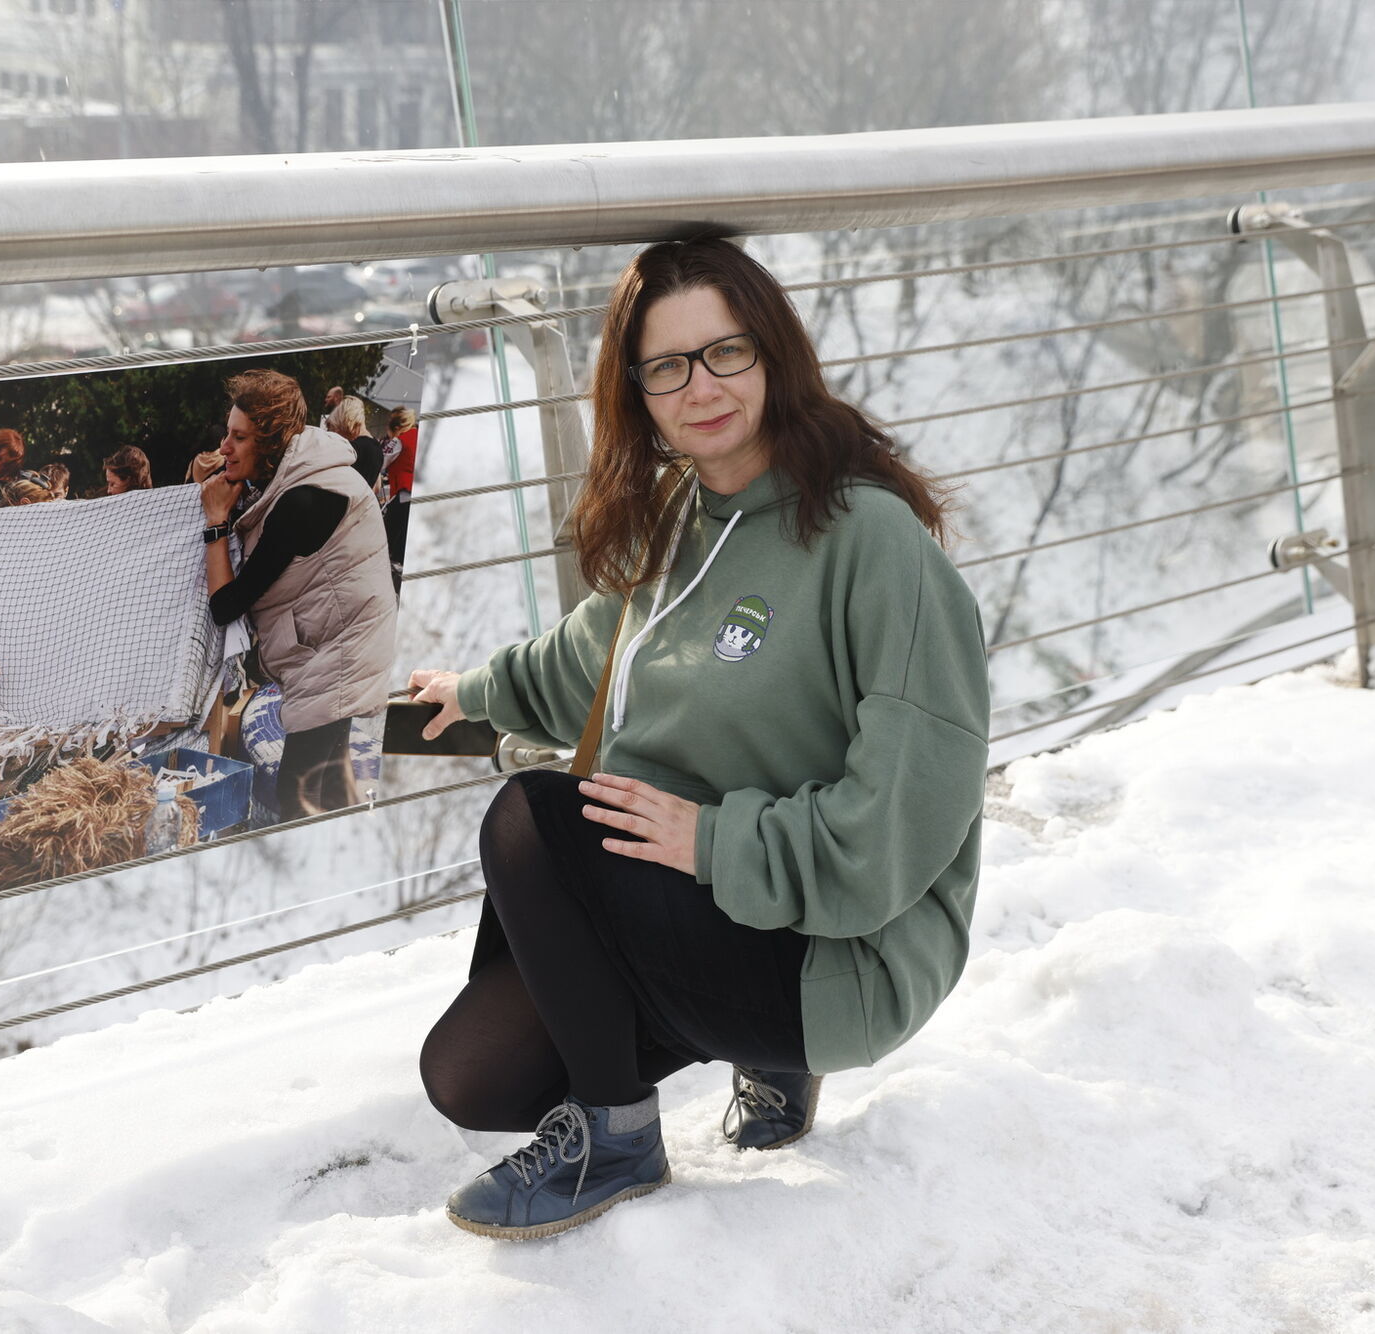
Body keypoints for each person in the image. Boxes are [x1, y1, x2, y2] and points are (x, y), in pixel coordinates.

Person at [403, 238, 989, 1239]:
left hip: (844, 946)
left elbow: (894, 826)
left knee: (531, 816)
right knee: (470, 1075)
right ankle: (729, 1057)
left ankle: (617, 1134)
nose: (699, 386)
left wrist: (716, 842)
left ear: (772, 352)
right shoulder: (679, 515)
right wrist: (468, 694)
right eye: (666, 365)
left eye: (724, 351)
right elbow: (594, 657)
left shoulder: (868, 541)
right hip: (720, 910)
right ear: (636, 390)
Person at [201, 369, 395, 821]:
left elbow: (226, 605)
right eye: (227, 434)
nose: (223, 448)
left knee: (297, 800)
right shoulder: (307, 470)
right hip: (344, 642)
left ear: (269, 445)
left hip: (337, 653)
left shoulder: (302, 501)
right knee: (332, 787)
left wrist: (214, 521)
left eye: (238, 438)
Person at [380, 405, 419, 585]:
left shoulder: (398, 440)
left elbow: (381, 461)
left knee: (389, 537)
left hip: (402, 492)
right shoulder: (418, 436)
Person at [326, 395, 383, 491]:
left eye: (337, 427)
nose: (336, 433)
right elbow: (377, 487)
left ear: (345, 420)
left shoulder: (353, 448)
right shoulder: (377, 449)